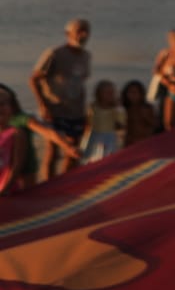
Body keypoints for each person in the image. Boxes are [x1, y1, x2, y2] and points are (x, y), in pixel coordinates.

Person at [29, 19, 91, 180]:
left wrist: (86, 111)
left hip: (76, 111)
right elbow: (34, 79)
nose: (83, 34)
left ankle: (64, 184)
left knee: (73, 152)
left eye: (86, 31)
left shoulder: (86, 56)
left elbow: (81, 84)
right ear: (68, 34)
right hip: (54, 109)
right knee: (52, 151)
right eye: (79, 31)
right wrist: (42, 105)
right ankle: (48, 185)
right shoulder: (54, 54)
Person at [1, 83, 80, 195]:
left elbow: (47, 132)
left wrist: (67, 146)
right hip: (3, 168)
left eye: (3, 103)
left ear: (11, 103)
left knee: (24, 201)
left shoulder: (21, 118)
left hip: (24, 169)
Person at [81, 80, 123, 163]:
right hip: (94, 134)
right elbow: (88, 122)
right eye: (107, 92)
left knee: (109, 156)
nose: (110, 95)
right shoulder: (93, 106)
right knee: (91, 156)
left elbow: (121, 121)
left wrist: (119, 108)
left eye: (112, 92)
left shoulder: (115, 108)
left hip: (110, 135)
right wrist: (85, 135)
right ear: (99, 93)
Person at [121, 80, 159, 146]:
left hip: (145, 142)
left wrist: (146, 116)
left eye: (135, 92)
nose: (133, 95)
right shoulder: (124, 108)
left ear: (141, 94)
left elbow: (155, 124)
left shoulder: (147, 108)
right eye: (130, 92)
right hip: (128, 143)